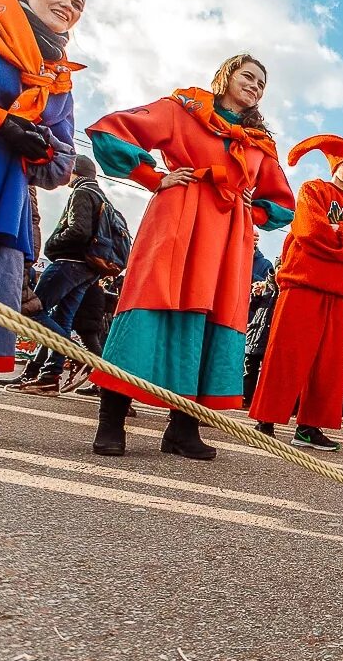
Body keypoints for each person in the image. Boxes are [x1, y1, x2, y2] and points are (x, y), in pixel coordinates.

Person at [86, 54, 295, 459]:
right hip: (177, 216)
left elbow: (283, 203)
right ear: (226, 76)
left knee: (211, 321)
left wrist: (253, 211)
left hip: (228, 235)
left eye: (261, 83)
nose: (255, 86)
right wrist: (152, 177)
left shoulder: (258, 143)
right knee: (146, 309)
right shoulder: (183, 110)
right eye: (248, 76)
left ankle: (183, 430)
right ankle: (111, 422)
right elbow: (113, 130)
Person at [249, 135, 343, 450]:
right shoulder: (313, 189)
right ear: (335, 164)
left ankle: (309, 427)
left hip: (340, 292)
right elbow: (310, 231)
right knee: (287, 351)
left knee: (329, 362)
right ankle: (266, 420)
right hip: (303, 282)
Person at [0, 0, 85, 411]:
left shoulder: (60, 83)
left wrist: (42, 147)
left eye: (77, 4)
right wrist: (1, 120)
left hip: (8, 203)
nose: (67, 6)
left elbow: (61, 164)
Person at [6, 155, 109, 392]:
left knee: (32, 310)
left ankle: (75, 355)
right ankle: (49, 376)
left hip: (69, 263)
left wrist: (52, 244)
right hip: (89, 269)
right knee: (62, 319)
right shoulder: (100, 195)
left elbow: (79, 231)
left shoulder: (82, 192)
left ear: (75, 171)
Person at [242, 263, 279, 407]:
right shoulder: (264, 286)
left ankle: (261, 401)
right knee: (249, 368)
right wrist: (255, 296)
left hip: (270, 335)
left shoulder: (284, 290)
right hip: (256, 332)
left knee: (268, 371)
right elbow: (252, 307)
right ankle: (246, 398)